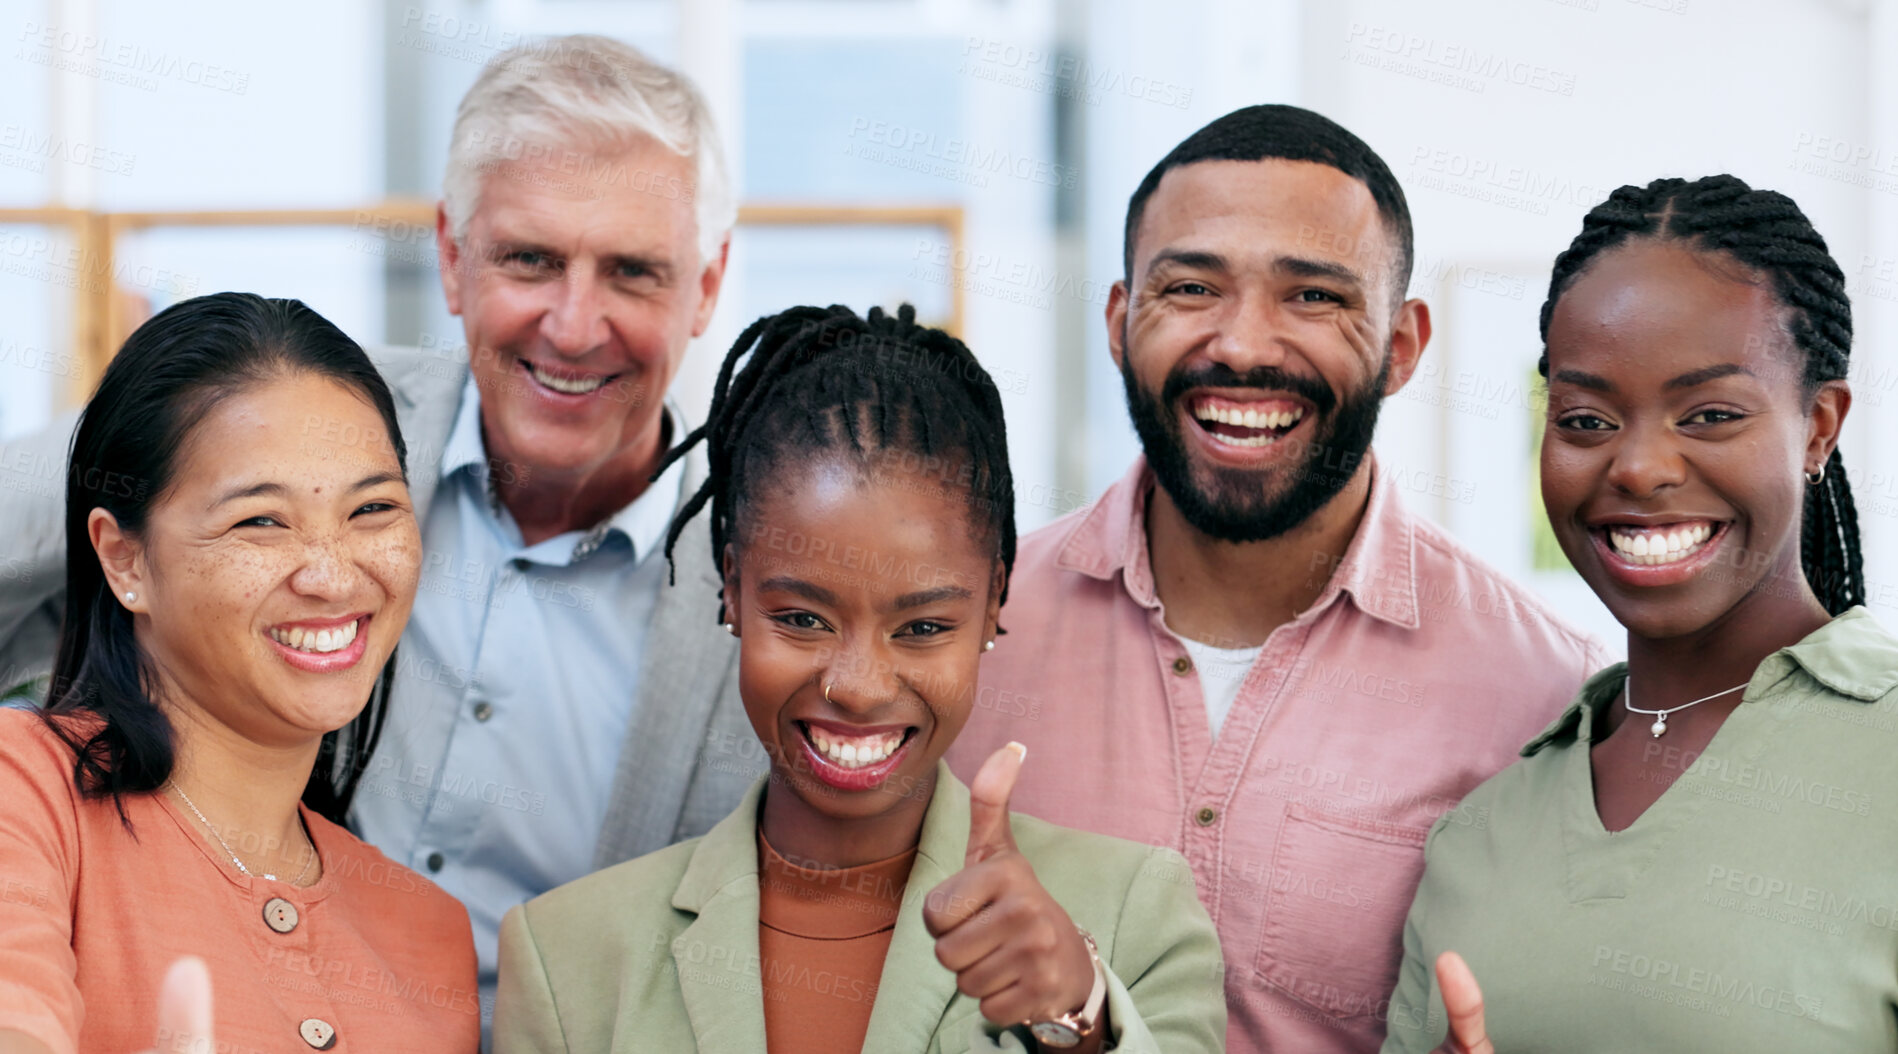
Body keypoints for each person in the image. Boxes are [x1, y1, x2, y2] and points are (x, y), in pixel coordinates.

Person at [0, 35, 763, 1020]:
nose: (574, 327)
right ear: (451, 257)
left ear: (705, 286)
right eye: (529, 258)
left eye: (631, 272)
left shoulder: (768, 585)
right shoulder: (290, 407)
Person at [945, 103, 1609, 1053]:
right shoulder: (966, 637)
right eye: (1190, 288)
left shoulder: (1546, 696)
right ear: (1119, 320)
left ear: (1402, 346)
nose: (1246, 346)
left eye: (1314, 297)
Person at [491, 304, 1227, 1053]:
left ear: (993, 607)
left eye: (924, 628)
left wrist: (1081, 1020)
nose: (860, 686)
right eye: (803, 619)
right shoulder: (567, 955)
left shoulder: (1138, 914)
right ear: (733, 591)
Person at [1382, 174, 1895, 1052]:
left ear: (1818, 426)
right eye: (1584, 420)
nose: (1640, 468)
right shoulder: (1480, 833)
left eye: (1709, 415)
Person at [0, 293, 478, 1054]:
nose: (331, 575)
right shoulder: (24, 790)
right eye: (260, 520)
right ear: (125, 559)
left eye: (373, 509)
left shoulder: (429, 930)